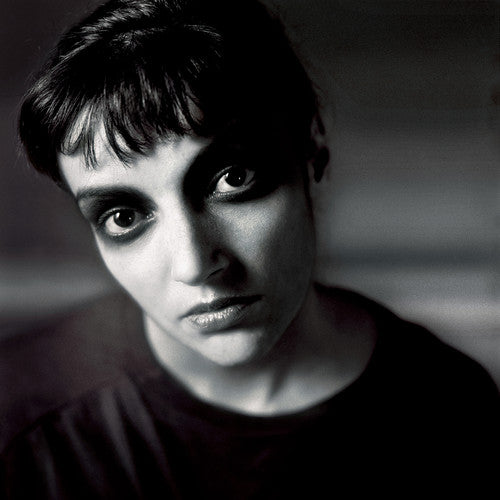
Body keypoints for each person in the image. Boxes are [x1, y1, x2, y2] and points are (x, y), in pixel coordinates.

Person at [1, 0, 498, 497]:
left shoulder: (449, 410)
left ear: (311, 149)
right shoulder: (18, 422)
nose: (195, 265)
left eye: (232, 179)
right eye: (124, 217)